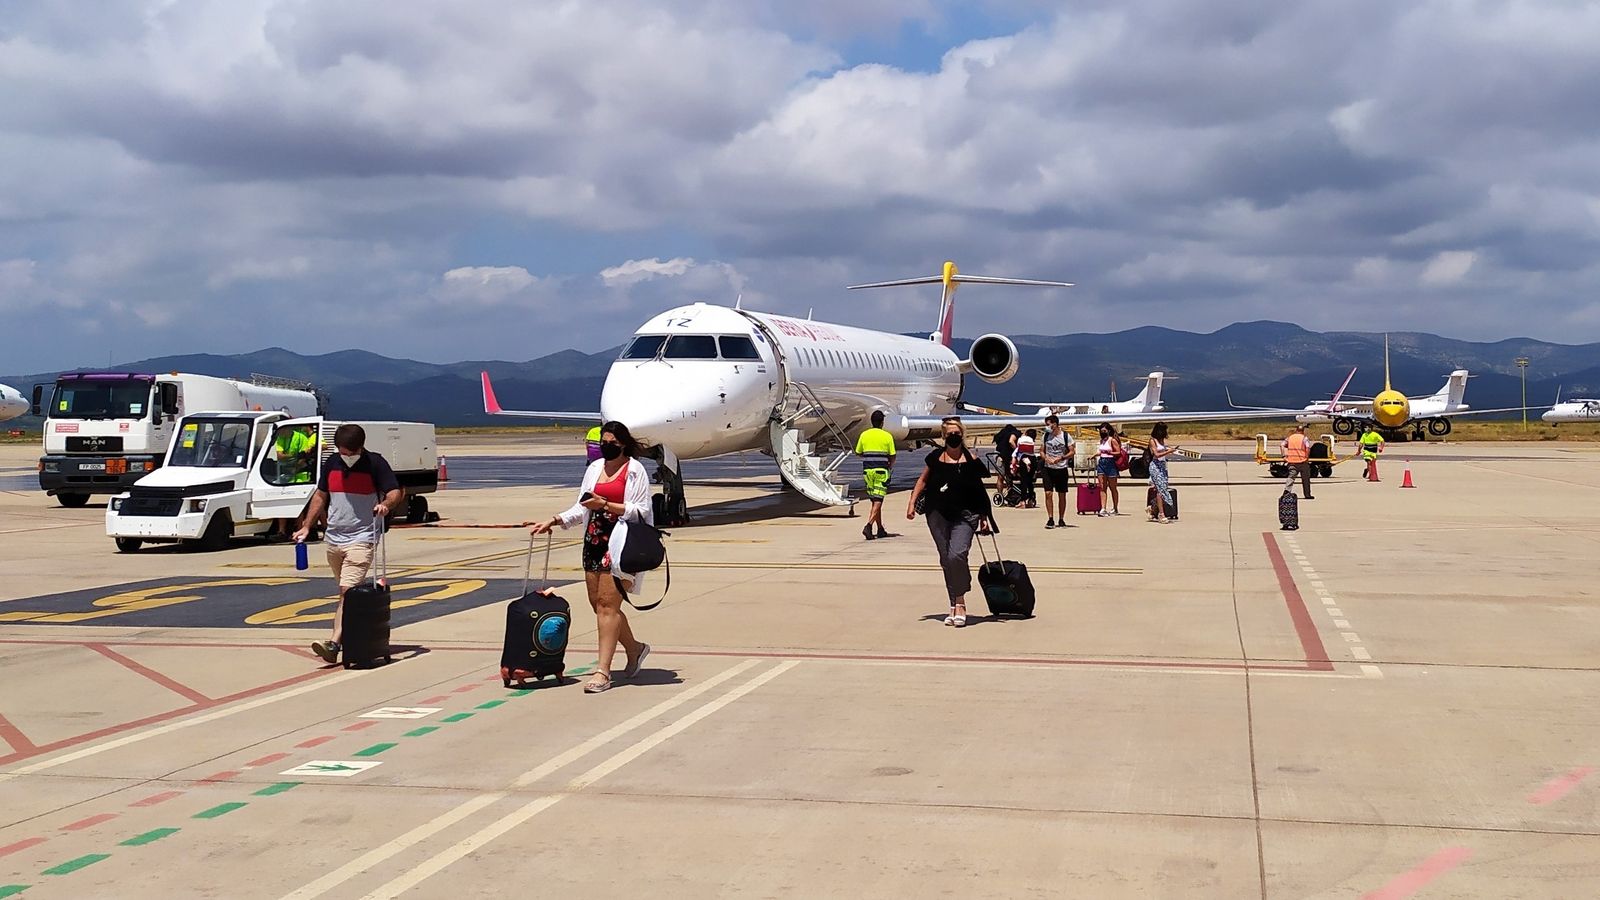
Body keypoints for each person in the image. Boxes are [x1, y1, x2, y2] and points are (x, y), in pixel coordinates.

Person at [529, 421, 653, 694]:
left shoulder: (635, 471)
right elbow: (581, 506)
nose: (606, 447)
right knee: (599, 606)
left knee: (608, 606)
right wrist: (555, 519)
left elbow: (641, 511)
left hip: (621, 545)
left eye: (611, 443)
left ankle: (603, 672)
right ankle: (635, 648)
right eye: (603, 443)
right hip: (594, 541)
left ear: (622, 444)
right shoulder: (595, 469)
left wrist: (606, 504)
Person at [293, 424, 404, 665]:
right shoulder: (331, 463)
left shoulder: (375, 463)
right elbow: (321, 495)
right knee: (344, 593)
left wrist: (386, 504)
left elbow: (396, 491)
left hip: (363, 536)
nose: (346, 458)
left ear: (360, 448)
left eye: (350, 454)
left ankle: (333, 642)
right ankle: (352, 636)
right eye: (342, 452)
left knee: (347, 591)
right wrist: (307, 526)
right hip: (334, 537)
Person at [906, 417, 994, 628]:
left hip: (966, 514)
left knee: (957, 554)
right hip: (937, 514)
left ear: (961, 435)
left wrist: (984, 517)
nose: (954, 437)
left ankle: (961, 601)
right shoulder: (935, 457)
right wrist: (911, 503)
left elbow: (979, 490)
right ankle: (953, 603)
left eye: (957, 433)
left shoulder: (970, 459)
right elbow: (923, 480)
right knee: (946, 559)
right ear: (944, 436)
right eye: (950, 434)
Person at [854, 410, 897, 540]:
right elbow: (893, 455)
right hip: (881, 471)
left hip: (868, 471)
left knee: (874, 500)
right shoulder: (887, 436)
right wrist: (889, 465)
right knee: (879, 500)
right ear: (882, 422)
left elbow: (858, 452)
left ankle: (880, 529)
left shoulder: (864, 435)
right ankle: (869, 526)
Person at [1040, 415, 1074, 529]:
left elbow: (1072, 451)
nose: (1047, 427)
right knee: (1048, 493)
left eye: (1049, 424)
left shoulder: (1066, 436)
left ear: (1055, 424)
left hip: (1061, 468)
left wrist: (1062, 458)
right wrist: (1046, 458)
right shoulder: (1045, 436)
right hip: (1048, 468)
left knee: (1062, 494)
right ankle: (1050, 518)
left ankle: (1061, 518)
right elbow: (1041, 451)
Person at [1146, 422, 1180, 523]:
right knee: (1160, 490)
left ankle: (1153, 508)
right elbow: (1156, 454)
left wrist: (1169, 450)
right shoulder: (1153, 441)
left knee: (1163, 488)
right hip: (1155, 466)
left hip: (1162, 466)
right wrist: (1168, 452)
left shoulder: (1162, 441)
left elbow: (1163, 452)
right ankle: (1161, 514)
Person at [1095, 423, 1123, 516]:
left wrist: (1110, 452)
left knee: (1112, 487)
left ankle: (1115, 507)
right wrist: (1096, 455)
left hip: (1110, 463)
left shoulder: (1112, 440)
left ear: (1108, 431)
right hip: (1102, 462)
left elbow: (1118, 452)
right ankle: (1103, 508)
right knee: (1102, 486)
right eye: (1101, 431)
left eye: (1104, 431)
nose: (1102, 433)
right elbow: (1101, 451)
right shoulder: (1102, 440)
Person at [1281, 424, 1315, 499]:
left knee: (1291, 477)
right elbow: (1308, 447)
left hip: (1292, 461)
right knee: (1306, 479)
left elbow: (1282, 445)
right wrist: (1306, 457)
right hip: (1302, 461)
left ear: (1296, 430)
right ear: (1303, 431)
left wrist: (1284, 456)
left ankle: (1286, 491)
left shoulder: (1290, 438)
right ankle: (1307, 494)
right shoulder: (1304, 438)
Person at [992, 423, 1021, 495]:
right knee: (1008, 475)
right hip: (1004, 455)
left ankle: (1001, 493)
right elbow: (1011, 441)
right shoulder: (1015, 433)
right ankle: (1008, 493)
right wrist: (1017, 450)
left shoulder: (1001, 434)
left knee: (1001, 476)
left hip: (999, 454)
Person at [1013, 430, 1038, 508]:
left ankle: (1022, 501)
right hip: (1033, 459)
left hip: (1024, 459)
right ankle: (1031, 500)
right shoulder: (1032, 442)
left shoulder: (1021, 440)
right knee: (1030, 481)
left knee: (1023, 481)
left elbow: (1015, 454)